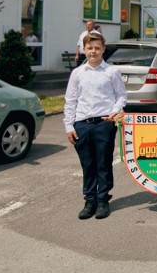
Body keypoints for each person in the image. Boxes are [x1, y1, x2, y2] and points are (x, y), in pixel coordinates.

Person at [64, 32, 126, 220]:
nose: (93, 51)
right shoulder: (77, 73)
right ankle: (89, 199)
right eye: (90, 48)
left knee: (103, 163)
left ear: (103, 50)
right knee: (87, 164)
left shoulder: (111, 72)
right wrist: (69, 125)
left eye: (97, 48)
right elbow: (71, 100)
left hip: (104, 123)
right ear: (84, 49)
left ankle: (102, 200)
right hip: (82, 124)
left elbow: (121, 95)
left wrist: (115, 111)